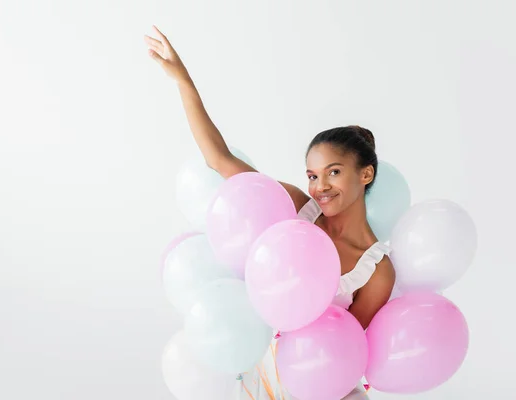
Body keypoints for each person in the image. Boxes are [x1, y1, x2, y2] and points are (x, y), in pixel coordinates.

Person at [145, 25, 395, 400]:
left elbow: (343, 349)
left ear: (366, 174)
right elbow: (218, 160)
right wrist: (184, 80)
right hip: (259, 373)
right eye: (313, 175)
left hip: (319, 388)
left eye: (334, 172)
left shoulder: (376, 269)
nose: (320, 186)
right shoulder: (296, 206)